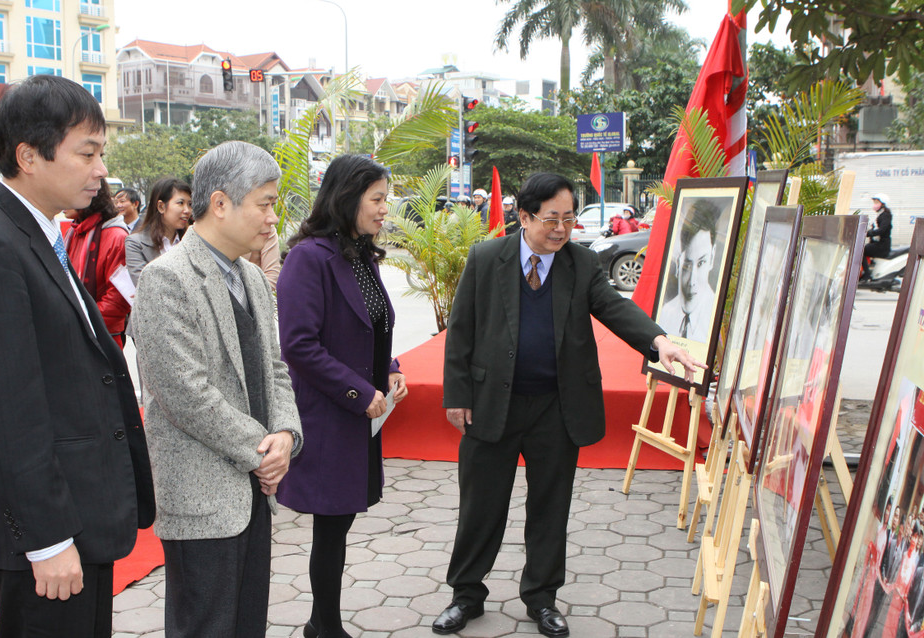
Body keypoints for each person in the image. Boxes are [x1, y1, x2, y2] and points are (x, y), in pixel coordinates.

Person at [434, 172, 702, 637]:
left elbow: (614, 307)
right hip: (492, 402)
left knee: (550, 507)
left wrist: (660, 342)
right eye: (551, 219)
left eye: (569, 218)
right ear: (524, 217)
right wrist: (456, 395)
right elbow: (461, 331)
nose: (561, 229)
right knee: (481, 506)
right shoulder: (487, 258)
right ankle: (466, 596)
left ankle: (541, 598)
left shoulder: (580, 262)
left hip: (555, 408)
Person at [0, 74, 155, 638]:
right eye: (87, 153)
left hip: (81, 510)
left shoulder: (40, 231)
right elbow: (6, 412)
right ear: (29, 156)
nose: (101, 171)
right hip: (45, 532)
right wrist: (47, 540)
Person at [132, 140, 303, 638]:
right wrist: (263, 450)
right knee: (205, 627)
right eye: (265, 204)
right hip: (202, 497)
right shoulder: (166, 279)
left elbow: (275, 368)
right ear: (221, 203)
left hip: (254, 489)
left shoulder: (252, 277)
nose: (272, 218)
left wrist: (286, 434)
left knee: (248, 623)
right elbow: (186, 394)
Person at [277, 154, 408, 638]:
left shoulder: (360, 253)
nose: (384, 209)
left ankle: (321, 623)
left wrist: (390, 368)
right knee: (331, 526)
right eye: (377, 199)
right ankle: (325, 626)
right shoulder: (309, 258)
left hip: (359, 412)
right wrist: (358, 391)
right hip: (330, 413)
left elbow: (369, 326)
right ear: (348, 198)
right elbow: (299, 345)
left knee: (341, 521)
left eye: (385, 199)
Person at [64, 179, 131, 349]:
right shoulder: (73, 232)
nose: (61, 200)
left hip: (103, 337)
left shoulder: (116, 237)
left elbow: (118, 299)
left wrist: (81, 320)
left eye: (67, 192)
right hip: (75, 334)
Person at [657, 199, 719, 342]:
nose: (692, 281)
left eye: (701, 263)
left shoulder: (719, 319)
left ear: (712, 257)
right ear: (678, 262)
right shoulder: (665, 314)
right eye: (687, 265)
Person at [124, 177, 191, 286]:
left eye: (190, 204)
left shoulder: (191, 242)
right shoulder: (135, 244)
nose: (187, 210)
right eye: (180, 203)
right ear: (161, 207)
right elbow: (145, 285)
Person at [863, 193, 893, 278]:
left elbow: (881, 230)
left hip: (882, 246)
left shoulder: (886, 215)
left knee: (861, 251)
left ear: (883, 204)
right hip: (878, 244)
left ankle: (867, 275)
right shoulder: (880, 214)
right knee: (864, 248)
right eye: (874, 203)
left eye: (877, 203)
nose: (874, 205)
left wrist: (868, 233)